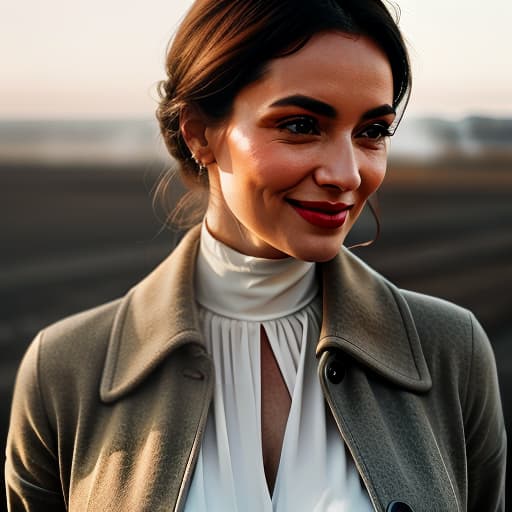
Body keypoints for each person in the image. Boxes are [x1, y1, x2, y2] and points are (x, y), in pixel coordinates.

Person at [5, 0, 506, 510]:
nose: (348, 174)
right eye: (300, 125)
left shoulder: (452, 352)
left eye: (372, 132)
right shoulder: (63, 371)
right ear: (200, 133)